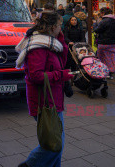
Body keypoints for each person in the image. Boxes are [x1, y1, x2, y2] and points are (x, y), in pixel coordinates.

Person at [15, 11, 73, 167]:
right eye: (60, 26)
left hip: (53, 98)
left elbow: (60, 61)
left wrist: (60, 38)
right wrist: (62, 75)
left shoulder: (51, 43)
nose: (62, 29)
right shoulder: (39, 47)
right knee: (53, 145)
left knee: (56, 143)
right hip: (44, 101)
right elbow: (36, 75)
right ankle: (29, 165)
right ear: (53, 26)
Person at [94, 7, 115, 87]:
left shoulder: (103, 21)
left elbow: (97, 30)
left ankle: (102, 77)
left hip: (103, 43)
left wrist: (96, 24)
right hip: (113, 44)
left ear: (103, 13)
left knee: (102, 60)